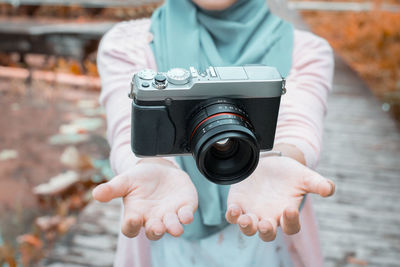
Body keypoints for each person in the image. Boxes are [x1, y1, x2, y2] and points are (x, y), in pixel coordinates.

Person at [92, 0, 336, 266]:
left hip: (268, 237)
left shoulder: (308, 50)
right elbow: (127, 127)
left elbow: (299, 121)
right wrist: (151, 163)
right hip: (164, 233)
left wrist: (285, 159)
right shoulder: (127, 43)